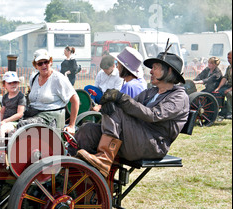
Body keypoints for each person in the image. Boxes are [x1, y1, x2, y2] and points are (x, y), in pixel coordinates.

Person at [74, 50, 189, 178]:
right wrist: (110, 102)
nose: (150, 71)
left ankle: (104, 158)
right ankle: (77, 177)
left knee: (116, 109)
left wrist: (121, 98)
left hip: (153, 145)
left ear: (169, 71)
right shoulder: (151, 92)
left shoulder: (179, 97)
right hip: (135, 138)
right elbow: (129, 106)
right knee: (88, 130)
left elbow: (152, 115)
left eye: (155, 68)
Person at [18, 49, 79, 133]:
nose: (44, 65)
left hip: (51, 117)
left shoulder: (58, 78)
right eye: (40, 63)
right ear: (35, 65)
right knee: (10, 123)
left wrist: (71, 125)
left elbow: (75, 100)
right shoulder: (34, 77)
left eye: (46, 62)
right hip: (34, 114)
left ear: (50, 62)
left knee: (23, 125)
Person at [0, 71, 26, 136]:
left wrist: (5, 121)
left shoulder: (20, 97)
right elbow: (2, 111)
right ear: (4, 85)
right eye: (9, 83)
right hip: (5, 121)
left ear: (18, 83)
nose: (13, 85)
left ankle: (2, 144)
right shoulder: (5, 97)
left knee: (0, 130)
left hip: (15, 123)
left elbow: (20, 114)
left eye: (15, 82)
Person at [213, 51, 232, 120]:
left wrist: (229, 90)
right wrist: (218, 87)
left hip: (231, 88)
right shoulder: (229, 67)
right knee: (217, 93)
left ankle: (230, 113)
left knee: (230, 94)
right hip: (228, 86)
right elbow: (225, 78)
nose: (228, 60)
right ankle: (221, 110)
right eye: (227, 58)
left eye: (230, 58)